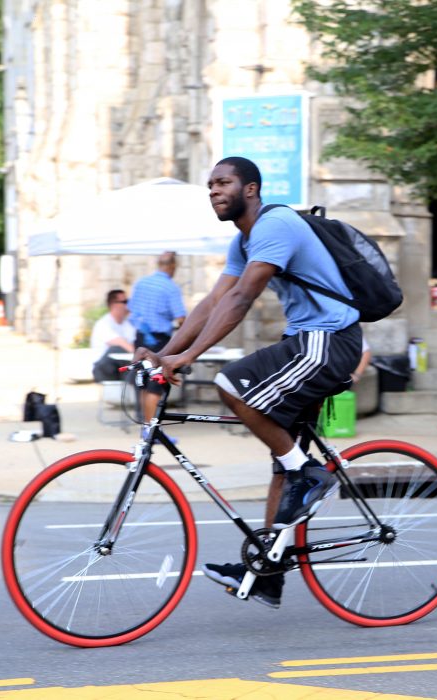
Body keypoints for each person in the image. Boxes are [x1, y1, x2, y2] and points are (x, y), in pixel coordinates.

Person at [134, 156, 362, 608]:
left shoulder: (275, 226)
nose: (214, 191)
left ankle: (311, 474)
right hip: (306, 340)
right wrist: (166, 354)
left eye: (223, 182)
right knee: (283, 458)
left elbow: (241, 299)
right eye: (210, 185)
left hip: (329, 342)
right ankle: (268, 572)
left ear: (251, 189)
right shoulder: (244, 241)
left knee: (232, 384)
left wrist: (188, 357)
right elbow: (213, 301)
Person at [129, 251, 187, 353]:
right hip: (160, 341)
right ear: (173, 266)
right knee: (158, 368)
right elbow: (181, 319)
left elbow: (132, 309)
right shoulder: (171, 287)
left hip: (140, 338)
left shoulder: (141, 283)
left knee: (139, 367)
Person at [90, 289, 136, 382]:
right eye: (125, 302)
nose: (128, 305)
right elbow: (122, 344)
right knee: (117, 349)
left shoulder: (128, 324)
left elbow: (133, 345)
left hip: (119, 368)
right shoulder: (103, 324)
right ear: (113, 304)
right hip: (103, 369)